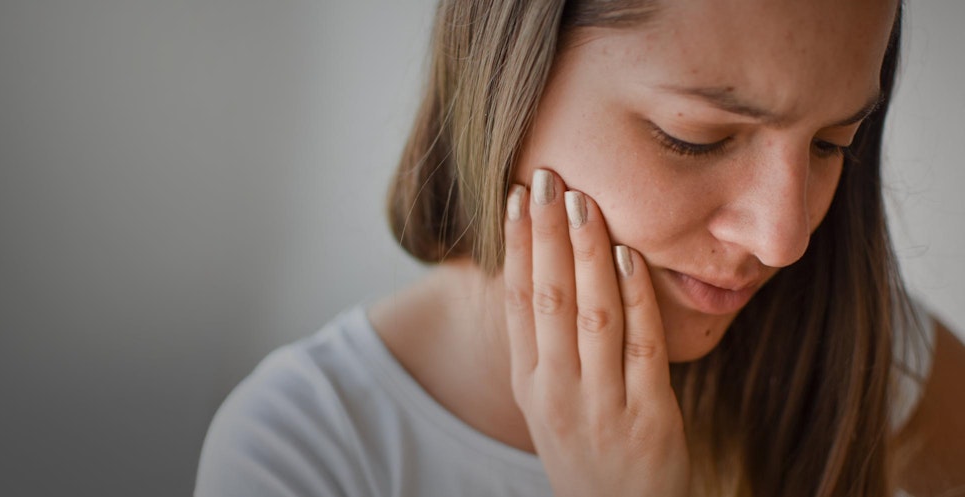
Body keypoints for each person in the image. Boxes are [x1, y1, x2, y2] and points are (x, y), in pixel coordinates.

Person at [195, 0, 965, 495]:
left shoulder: (873, 363)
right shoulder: (307, 453)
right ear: (509, 82)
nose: (784, 238)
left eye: (832, 144)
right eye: (695, 138)